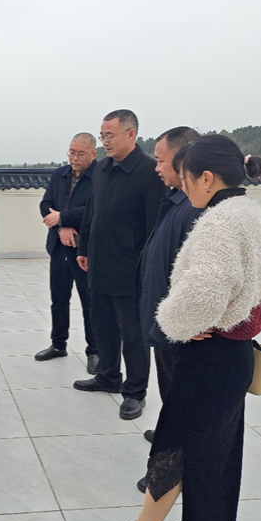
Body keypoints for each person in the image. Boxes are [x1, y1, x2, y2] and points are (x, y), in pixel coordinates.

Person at [118, 134, 261, 521]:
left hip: (209, 357)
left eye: (185, 179)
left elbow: (204, 292)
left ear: (206, 178)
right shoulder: (249, 212)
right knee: (217, 458)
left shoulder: (217, 223)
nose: (183, 188)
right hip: (235, 352)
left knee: (175, 447)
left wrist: (171, 324)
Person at [73, 110, 167, 420]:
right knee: (103, 325)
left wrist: (148, 268)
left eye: (109, 135)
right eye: (102, 136)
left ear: (131, 134)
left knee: (133, 333)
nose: (105, 141)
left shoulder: (148, 172)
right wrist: (84, 248)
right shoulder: (102, 168)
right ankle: (108, 375)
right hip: (99, 263)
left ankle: (135, 391)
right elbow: (91, 213)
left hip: (130, 269)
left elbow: (155, 226)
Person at [134, 127, 202, 495]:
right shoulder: (176, 200)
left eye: (161, 160)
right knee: (170, 398)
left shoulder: (195, 209)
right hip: (164, 322)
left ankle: (168, 472)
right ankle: (169, 449)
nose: (156, 167)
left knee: (181, 408)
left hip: (178, 329)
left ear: (182, 161)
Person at [35, 132, 99, 374]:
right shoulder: (59, 174)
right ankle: (58, 344)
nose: (75, 158)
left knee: (90, 302)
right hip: (58, 246)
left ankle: (95, 351)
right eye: (72, 152)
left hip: (85, 250)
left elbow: (94, 209)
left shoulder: (100, 176)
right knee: (59, 299)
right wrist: (62, 226)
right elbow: (45, 205)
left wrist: (63, 217)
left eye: (81, 154)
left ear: (93, 154)